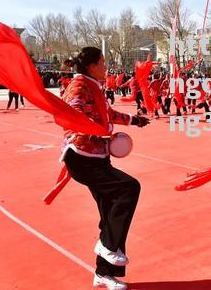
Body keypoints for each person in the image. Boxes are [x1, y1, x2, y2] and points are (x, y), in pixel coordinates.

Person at [61, 47, 149, 290]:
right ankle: (108, 246)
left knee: (110, 212)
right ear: (91, 66)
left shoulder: (94, 86)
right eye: (102, 62)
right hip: (82, 158)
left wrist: (133, 120)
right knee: (128, 188)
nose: (106, 66)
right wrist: (99, 132)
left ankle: (103, 273)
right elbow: (73, 114)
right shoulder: (79, 86)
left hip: (97, 156)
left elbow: (106, 114)